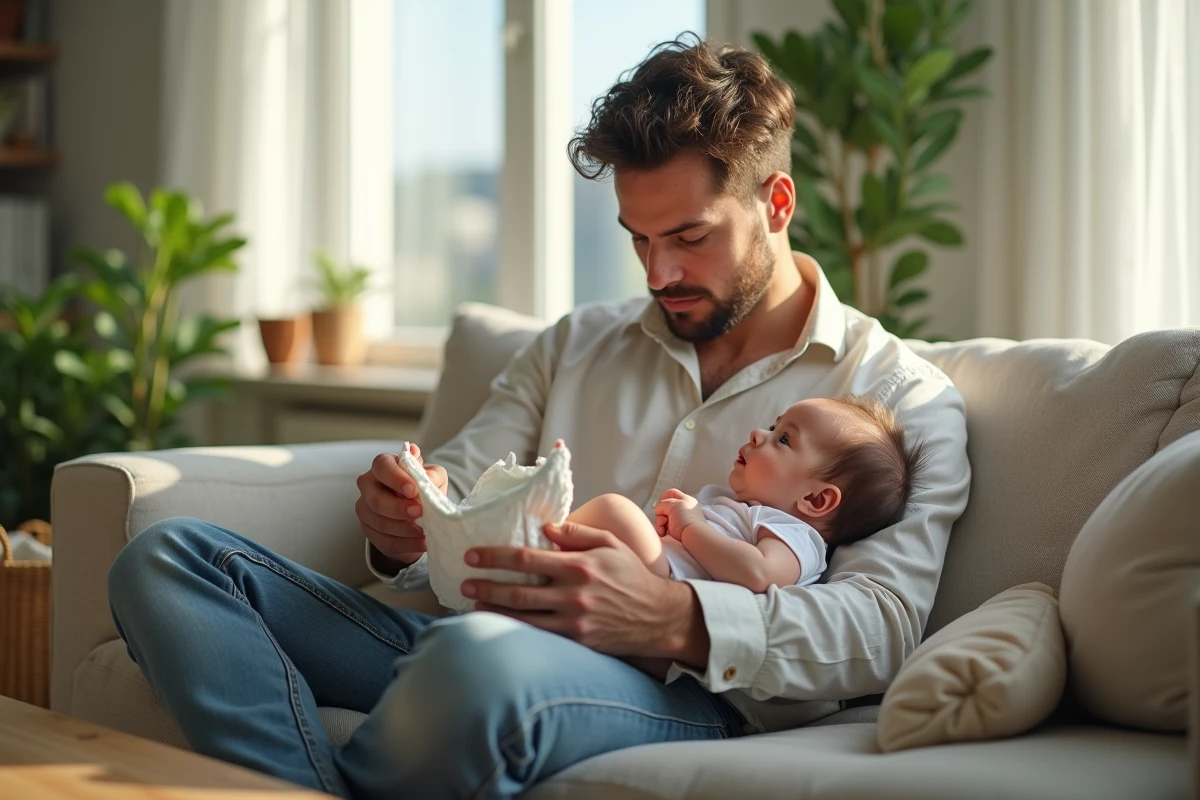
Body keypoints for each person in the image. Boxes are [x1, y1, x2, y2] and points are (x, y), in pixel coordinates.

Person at [106, 36, 970, 799]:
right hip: (474, 634)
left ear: (776, 204)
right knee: (170, 557)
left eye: (692, 237)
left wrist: (672, 617)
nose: (659, 270)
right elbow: (457, 483)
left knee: (471, 662)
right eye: (639, 238)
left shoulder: (897, 393)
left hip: (685, 691)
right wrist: (409, 519)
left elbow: (885, 624)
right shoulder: (573, 345)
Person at [569, 396, 925, 593]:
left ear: (816, 500)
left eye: (784, 439)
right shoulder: (730, 503)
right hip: (646, 573)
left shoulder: (797, 537)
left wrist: (690, 528)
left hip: (666, 591)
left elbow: (758, 573)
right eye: (774, 426)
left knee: (616, 512)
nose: (758, 433)